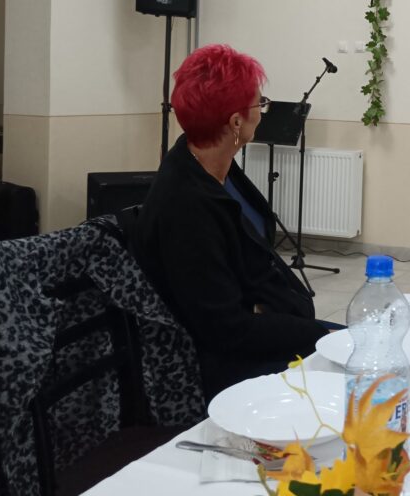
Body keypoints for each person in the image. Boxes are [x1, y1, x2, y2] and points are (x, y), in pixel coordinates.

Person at [133, 43, 329, 400]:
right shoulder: (186, 204)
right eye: (259, 104)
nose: (262, 113)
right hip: (223, 368)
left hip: (265, 328)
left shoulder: (215, 164)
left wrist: (266, 307)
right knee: (354, 370)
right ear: (236, 122)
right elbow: (226, 328)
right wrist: (317, 335)